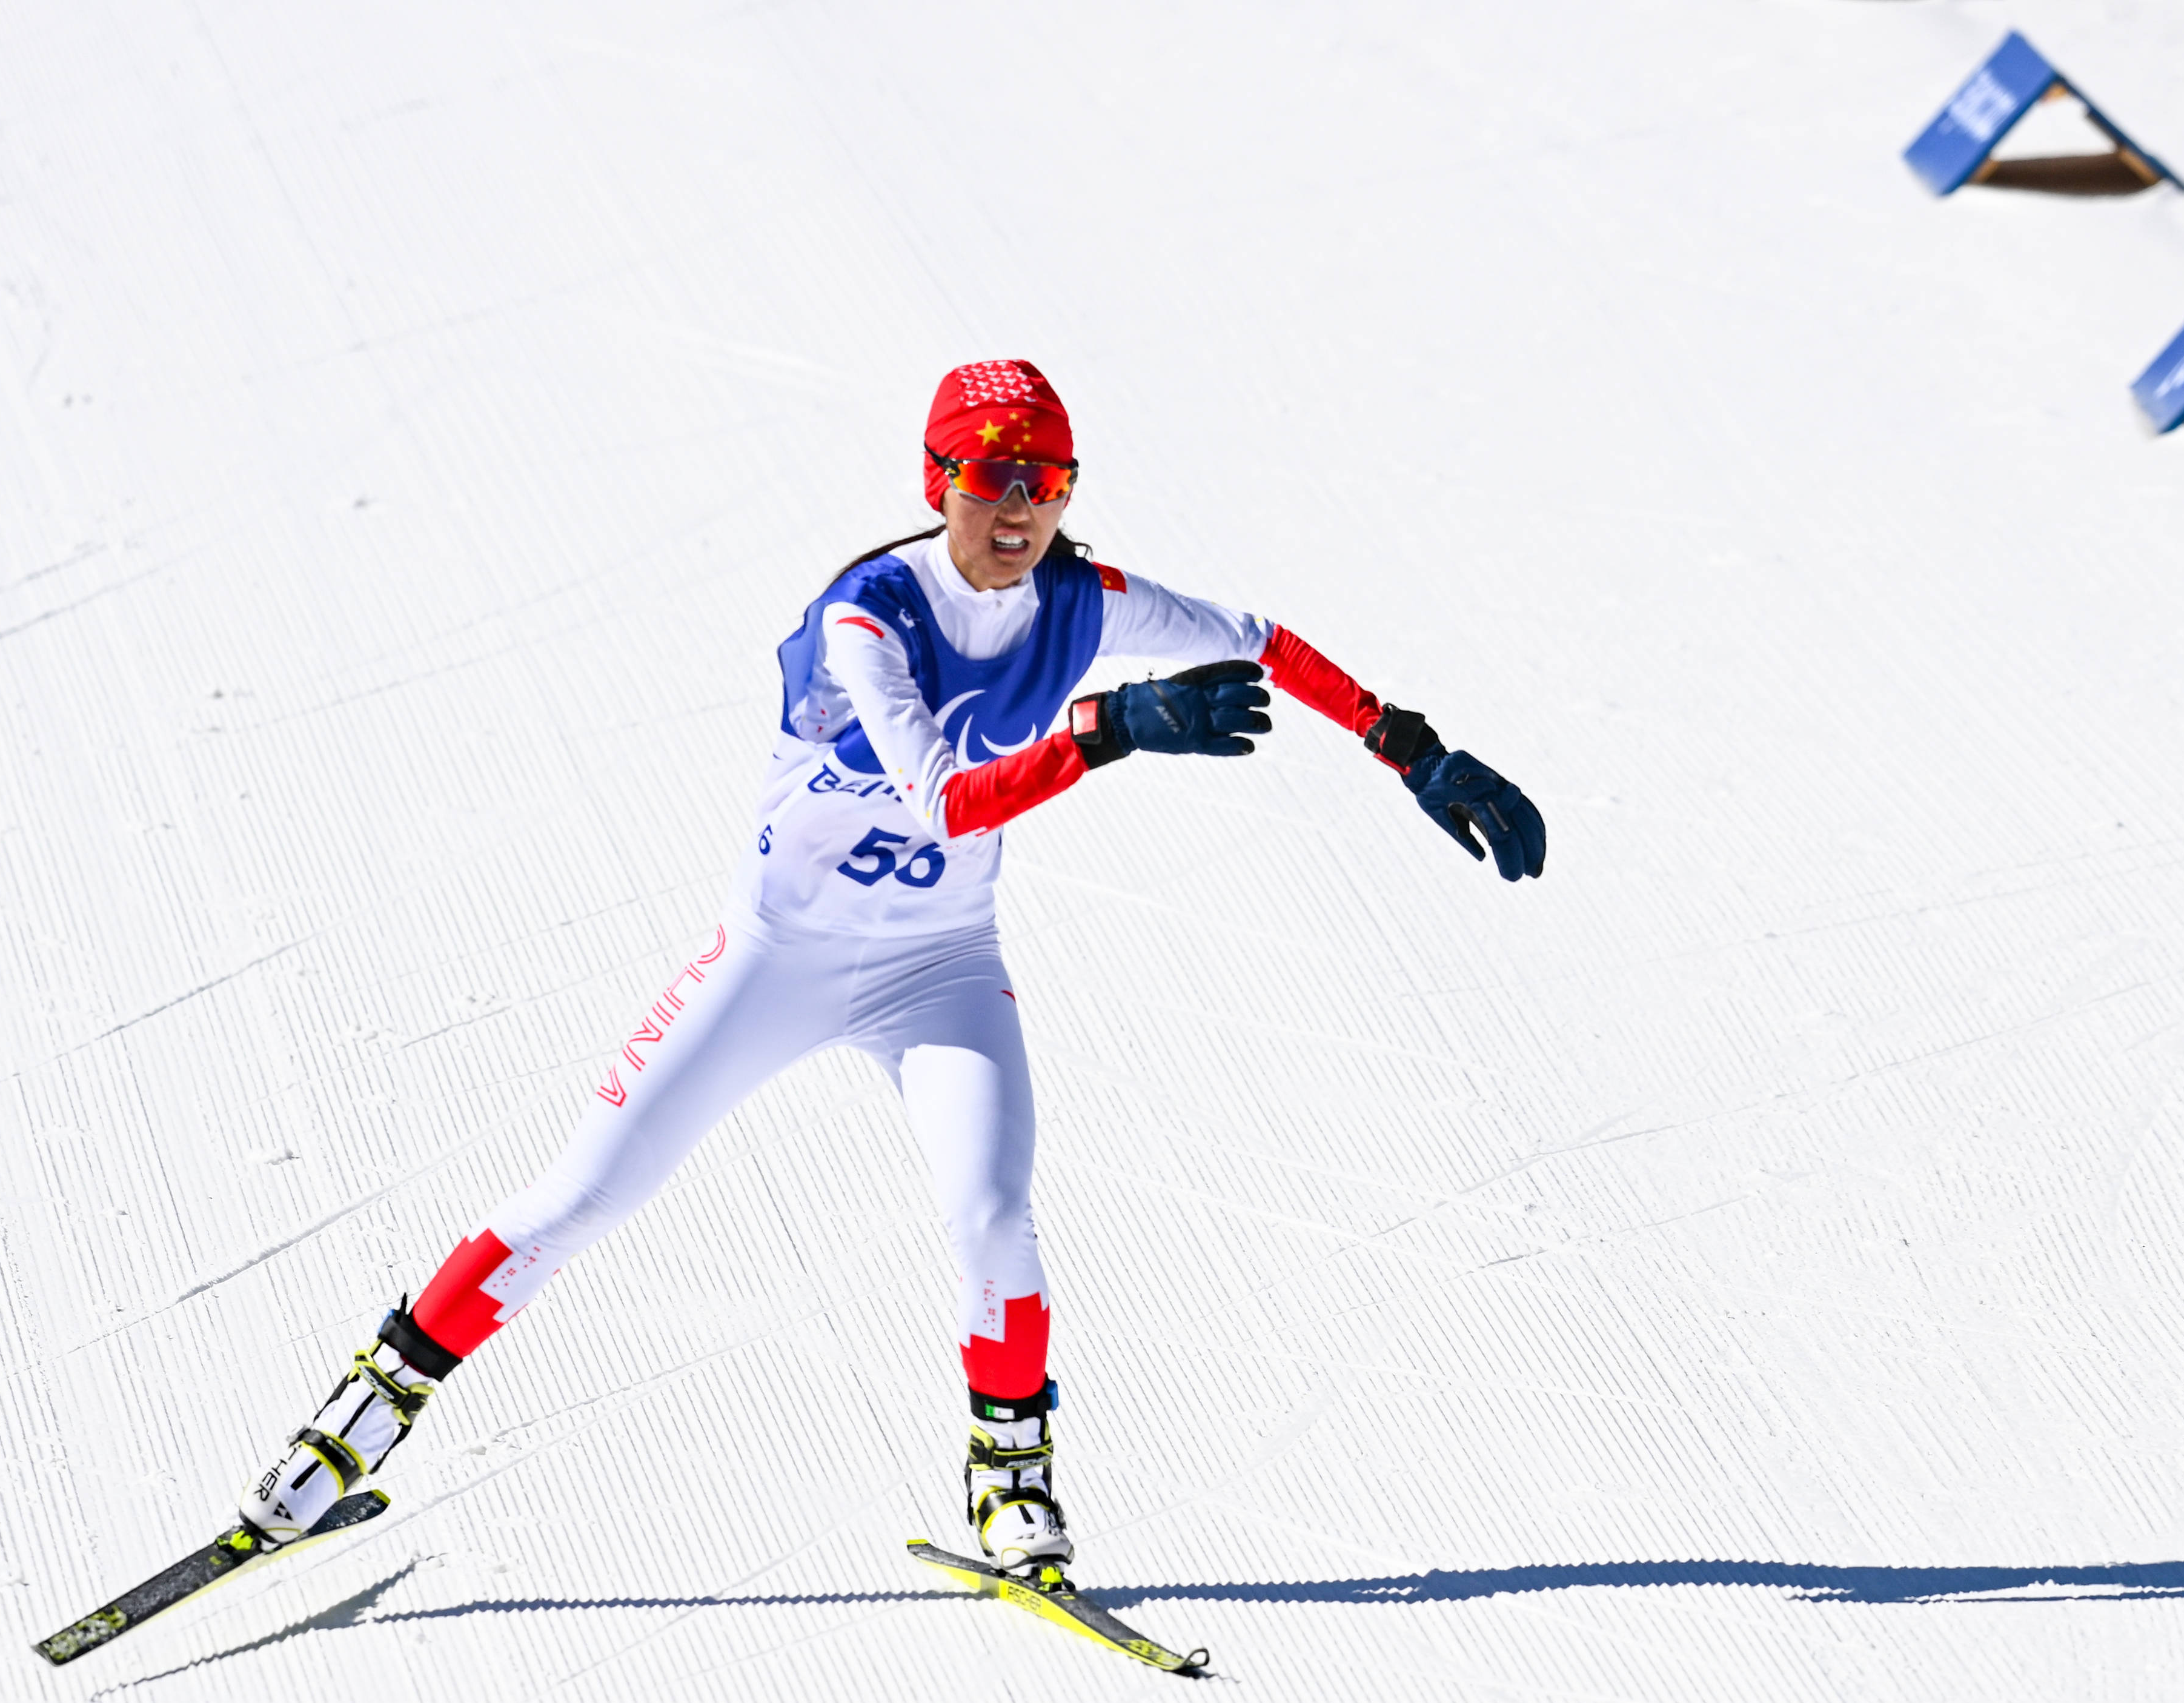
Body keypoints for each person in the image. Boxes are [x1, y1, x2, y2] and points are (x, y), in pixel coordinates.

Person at [236, 359, 1545, 1574]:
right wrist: (1111, 728)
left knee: (991, 1212)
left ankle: (1010, 1471)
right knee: (583, 1199)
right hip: (780, 958)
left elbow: (1261, 637)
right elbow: (939, 798)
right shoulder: (869, 613)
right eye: (993, 479)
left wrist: (1408, 744)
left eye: (1050, 480)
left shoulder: (1082, 601)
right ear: (939, 485)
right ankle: (356, 1421)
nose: (1021, 507)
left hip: (937, 965)